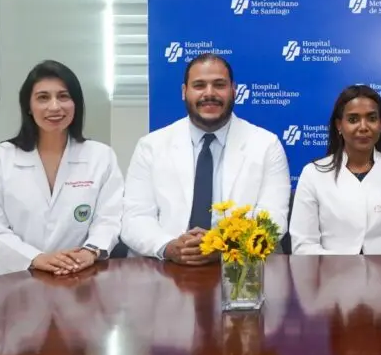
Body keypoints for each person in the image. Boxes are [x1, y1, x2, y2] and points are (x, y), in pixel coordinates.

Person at [121, 54, 291, 264]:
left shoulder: (266, 145)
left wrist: (224, 246)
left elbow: (274, 219)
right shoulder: (151, 146)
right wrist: (169, 246)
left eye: (219, 85)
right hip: (168, 268)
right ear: (184, 92)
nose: (209, 93)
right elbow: (134, 218)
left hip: (241, 269)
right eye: (199, 85)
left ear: (233, 91)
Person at [0, 60, 124, 278]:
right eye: (43, 97)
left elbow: (109, 218)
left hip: (77, 277)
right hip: (12, 279)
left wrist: (90, 251)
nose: (54, 107)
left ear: (76, 104)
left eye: (63, 96)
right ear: (28, 106)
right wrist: (35, 258)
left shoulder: (100, 156)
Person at [288, 85, 381, 254]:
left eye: (372, 118)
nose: (363, 126)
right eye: (353, 119)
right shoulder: (313, 173)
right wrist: (349, 267)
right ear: (339, 125)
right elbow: (303, 245)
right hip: (328, 275)